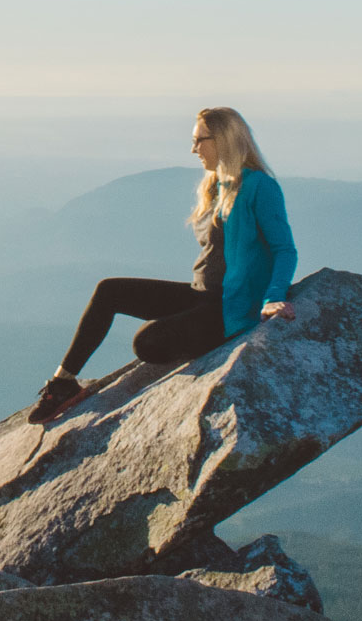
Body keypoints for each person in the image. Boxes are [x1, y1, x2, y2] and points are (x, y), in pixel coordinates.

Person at [26, 106, 298, 424]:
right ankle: (63, 383)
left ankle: (197, 332)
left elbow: (284, 249)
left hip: (228, 308)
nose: (193, 149)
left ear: (224, 140)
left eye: (200, 140)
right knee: (109, 290)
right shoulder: (214, 185)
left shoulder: (259, 187)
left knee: (148, 343)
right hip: (202, 295)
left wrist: (272, 298)